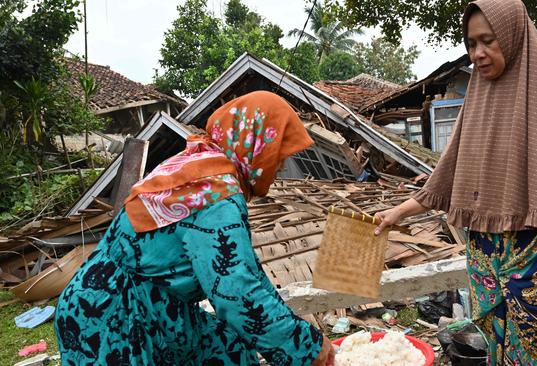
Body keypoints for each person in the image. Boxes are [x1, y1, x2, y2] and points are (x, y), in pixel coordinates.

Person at [374, 1, 537, 364]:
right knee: (495, 348)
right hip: (485, 258)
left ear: (512, 37)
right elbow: (450, 172)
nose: (478, 53)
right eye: (472, 44)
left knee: (535, 353)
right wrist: (399, 211)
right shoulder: (477, 99)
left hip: (535, 258)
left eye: (488, 41)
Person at [55, 91, 336, 366]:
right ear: (257, 145)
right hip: (110, 314)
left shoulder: (199, 168)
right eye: (279, 153)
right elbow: (237, 291)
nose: (281, 165)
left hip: (149, 303)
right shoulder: (216, 195)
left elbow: (244, 273)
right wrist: (307, 347)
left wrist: (301, 337)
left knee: (227, 347)